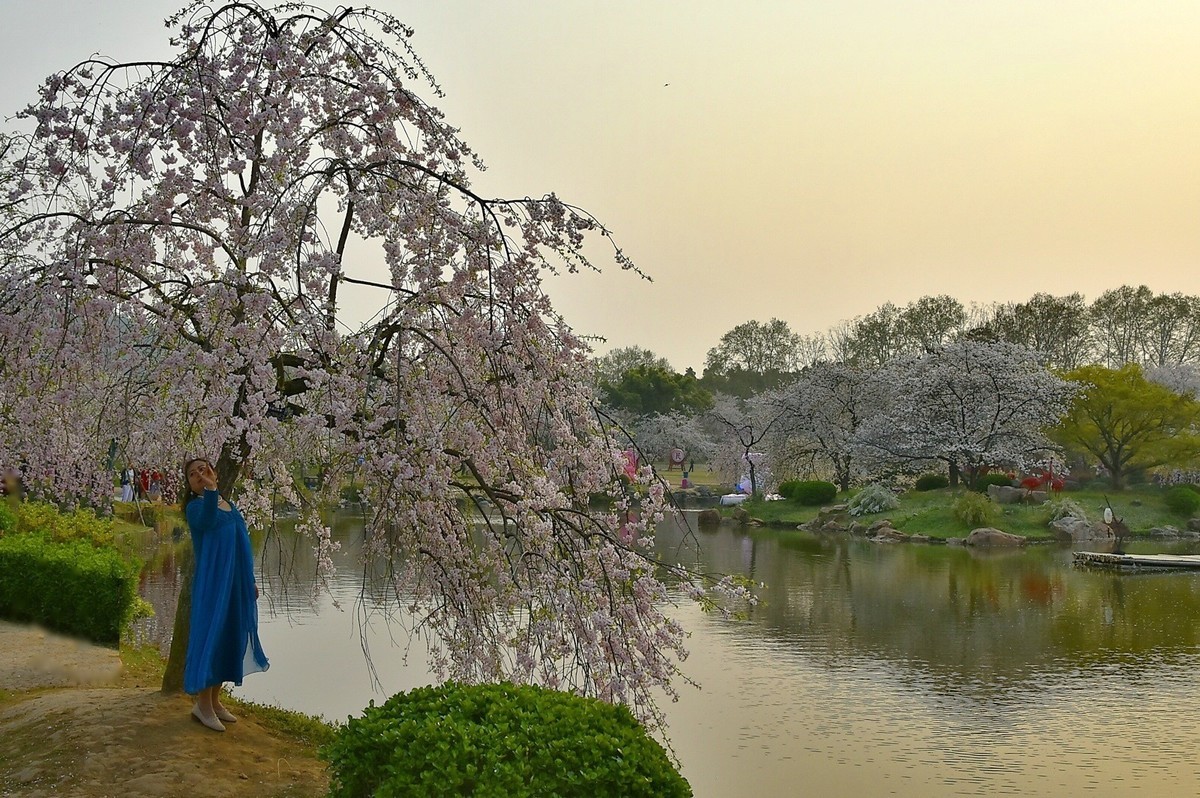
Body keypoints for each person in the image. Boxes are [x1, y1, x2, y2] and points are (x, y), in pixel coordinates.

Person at [182, 457, 269, 732]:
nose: (198, 475)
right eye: (192, 474)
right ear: (189, 485)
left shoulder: (231, 508)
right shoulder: (196, 508)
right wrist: (209, 491)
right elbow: (207, 523)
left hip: (234, 583)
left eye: (203, 469)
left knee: (230, 637)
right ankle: (202, 705)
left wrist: (249, 580)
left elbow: (243, 546)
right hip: (212, 584)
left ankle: (216, 702)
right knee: (212, 637)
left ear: (215, 472)